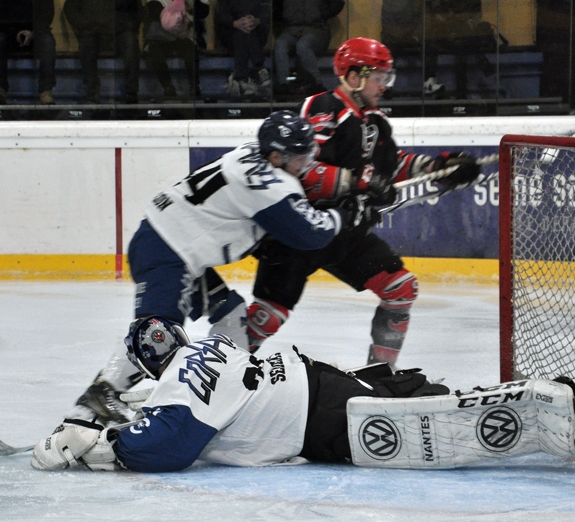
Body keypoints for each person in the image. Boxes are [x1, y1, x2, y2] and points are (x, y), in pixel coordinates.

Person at [52, 111, 360, 430]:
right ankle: (91, 408)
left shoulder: (249, 154)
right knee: (157, 336)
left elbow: (278, 201)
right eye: (301, 156)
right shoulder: (270, 184)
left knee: (232, 316)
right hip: (170, 252)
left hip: (169, 242)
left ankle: (221, 397)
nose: (306, 163)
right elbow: (310, 233)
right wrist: (345, 215)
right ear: (276, 155)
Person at [31, 315, 575, 472]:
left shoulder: (181, 377)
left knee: (428, 421)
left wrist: (98, 444)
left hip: (321, 418)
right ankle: (538, 394)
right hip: (322, 378)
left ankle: (530, 406)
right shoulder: (209, 346)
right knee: (420, 391)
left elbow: (169, 445)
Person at [246, 37, 483, 368]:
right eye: (379, 77)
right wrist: (359, 182)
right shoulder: (323, 108)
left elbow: (391, 165)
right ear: (354, 76)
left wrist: (438, 168)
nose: (384, 85)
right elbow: (302, 168)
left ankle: (381, 373)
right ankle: (216, 370)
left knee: (400, 288)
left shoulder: (375, 122)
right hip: (300, 232)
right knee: (267, 317)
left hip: (346, 234)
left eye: (387, 78)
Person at [63, 0, 143, 104]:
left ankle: (131, 92)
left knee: (130, 41)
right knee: (86, 43)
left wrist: (130, 26)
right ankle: (92, 92)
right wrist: (84, 25)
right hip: (92, 30)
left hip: (118, 30)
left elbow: (138, 9)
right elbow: (70, 8)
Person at [0, 0, 57, 105]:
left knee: (48, 40)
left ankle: (46, 90)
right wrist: (15, 32)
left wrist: (33, 32)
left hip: (36, 33)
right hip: (10, 33)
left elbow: (47, 14)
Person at [272, 0, 343, 97]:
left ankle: (316, 84)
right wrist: (284, 18)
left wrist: (321, 15)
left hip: (317, 29)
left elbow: (338, 3)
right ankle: (283, 85)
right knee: (280, 45)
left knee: (303, 46)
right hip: (290, 29)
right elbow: (274, 6)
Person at [143, 0, 209, 99]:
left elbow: (203, 11)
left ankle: (194, 86)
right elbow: (153, 11)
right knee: (154, 50)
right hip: (162, 37)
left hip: (186, 36)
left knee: (190, 47)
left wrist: (190, 6)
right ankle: (168, 87)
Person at [216, 0, 270, 98]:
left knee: (245, 33)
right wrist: (235, 23)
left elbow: (266, 12)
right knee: (241, 34)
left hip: (255, 32)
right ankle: (260, 69)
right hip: (230, 33)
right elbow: (221, 16)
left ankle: (241, 79)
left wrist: (256, 21)